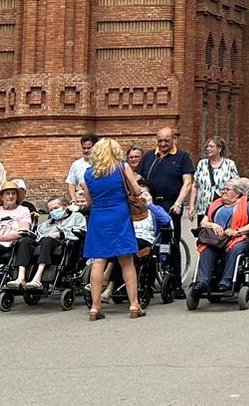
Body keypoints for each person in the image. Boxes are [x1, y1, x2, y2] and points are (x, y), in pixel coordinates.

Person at [78, 138, 146, 320]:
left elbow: (89, 201)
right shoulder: (122, 167)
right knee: (126, 261)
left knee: (99, 260)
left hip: (99, 217)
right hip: (120, 214)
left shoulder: (88, 173)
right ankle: (134, 304)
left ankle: (95, 306)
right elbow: (137, 190)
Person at [138, 127, 194, 283]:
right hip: (150, 203)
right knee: (149, 240)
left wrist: (178, 203)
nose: (163, 144)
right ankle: (147, 279)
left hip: (171, 203)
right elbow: (137, 178)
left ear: (173, 140)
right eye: (160, 140)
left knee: (171, 242)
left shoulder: (182, 157)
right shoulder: (149, 156)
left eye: (166, 141)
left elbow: (187, 182)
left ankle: (175, 283)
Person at [193, 178, 249, 298]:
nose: (223, 192)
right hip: (217, 238)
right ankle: (202, 282)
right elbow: (203, 222)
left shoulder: (248, 204)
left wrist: (237, 231)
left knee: (234, 250)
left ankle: (226, 281)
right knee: (206, 249)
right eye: (223, 189)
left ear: (237, 193)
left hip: (238, 237)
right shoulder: (216, 204)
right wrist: (213, 225)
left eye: (227, 189)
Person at [194, 135, 240, 224]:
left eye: (211, 146)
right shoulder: (201, 164)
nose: (208, 149)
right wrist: (192, 206)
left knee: (221, 233)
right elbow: (195, 185)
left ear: (219, 149)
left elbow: (236, 186)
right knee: (204, 234)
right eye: (207, 146)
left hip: (223, 208)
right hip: (203, 208)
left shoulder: (229, 164)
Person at [65, 134, 97, 203]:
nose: (86, 151)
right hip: (82, 201)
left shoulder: (102, 163)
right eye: (84, 148)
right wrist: (73, 198)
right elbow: (71, 184)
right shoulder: (76, 164)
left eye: (89, 148)